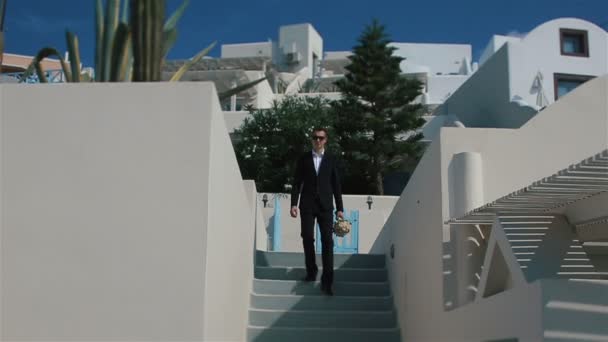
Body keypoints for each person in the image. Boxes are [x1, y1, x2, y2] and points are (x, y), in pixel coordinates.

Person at [290, 127, 344, 296]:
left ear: (325, 140)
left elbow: (336, 184)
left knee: (328, 241)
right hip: (307, 204)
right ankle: (311, 271)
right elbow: (297, 182)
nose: (318, 140)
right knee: (307, 237)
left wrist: (340, 208)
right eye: (315, 138)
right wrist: (294, 204)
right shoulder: (304, 159)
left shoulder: (331, 159)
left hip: (326, 206)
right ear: (312, 139)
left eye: (321, 138)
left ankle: (327, 282)